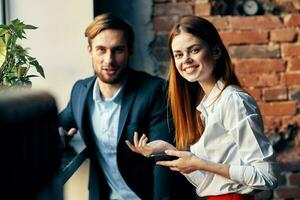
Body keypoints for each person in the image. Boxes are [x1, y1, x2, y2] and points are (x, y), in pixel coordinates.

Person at [126, 15, 279, 200]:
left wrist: (201, 163)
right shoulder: (206, 104)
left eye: (194, 50)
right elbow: (210, 183)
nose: (186, 60)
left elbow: (267, 176)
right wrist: (169, 149)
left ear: (215, 51)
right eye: (179, 55)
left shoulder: (233, 100)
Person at [58, 13, 196, 200]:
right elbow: (60, 122)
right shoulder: (80, 91)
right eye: (101, 50)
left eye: (118, 50)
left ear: (130, 50)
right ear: (90, 50)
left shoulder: (155, 91)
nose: (109, 60)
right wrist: (58, 135)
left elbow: (163, 161)